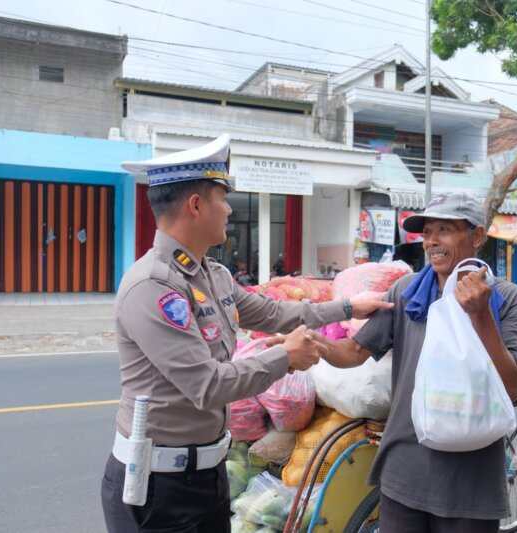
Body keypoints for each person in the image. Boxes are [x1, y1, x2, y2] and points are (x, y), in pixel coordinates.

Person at [101, 134, 392, 533]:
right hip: (157, 488)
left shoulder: (213, 275)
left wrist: (347, 307)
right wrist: (285, 357)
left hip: (207, 478)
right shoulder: (154, 286)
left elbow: (273, 313)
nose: (228, 208)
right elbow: (207, 385)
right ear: (195, 205)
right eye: (223, 197)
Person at [285, 192, 517, 533]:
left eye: (445, 230)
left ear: (477, 236)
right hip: (404, 469)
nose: (432, 241)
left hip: (471, 481)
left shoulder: (507, 299)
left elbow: (510, 386)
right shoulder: (407, 292)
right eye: (427, 232)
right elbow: (354, 352)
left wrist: (481, 317)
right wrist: (315, 343)